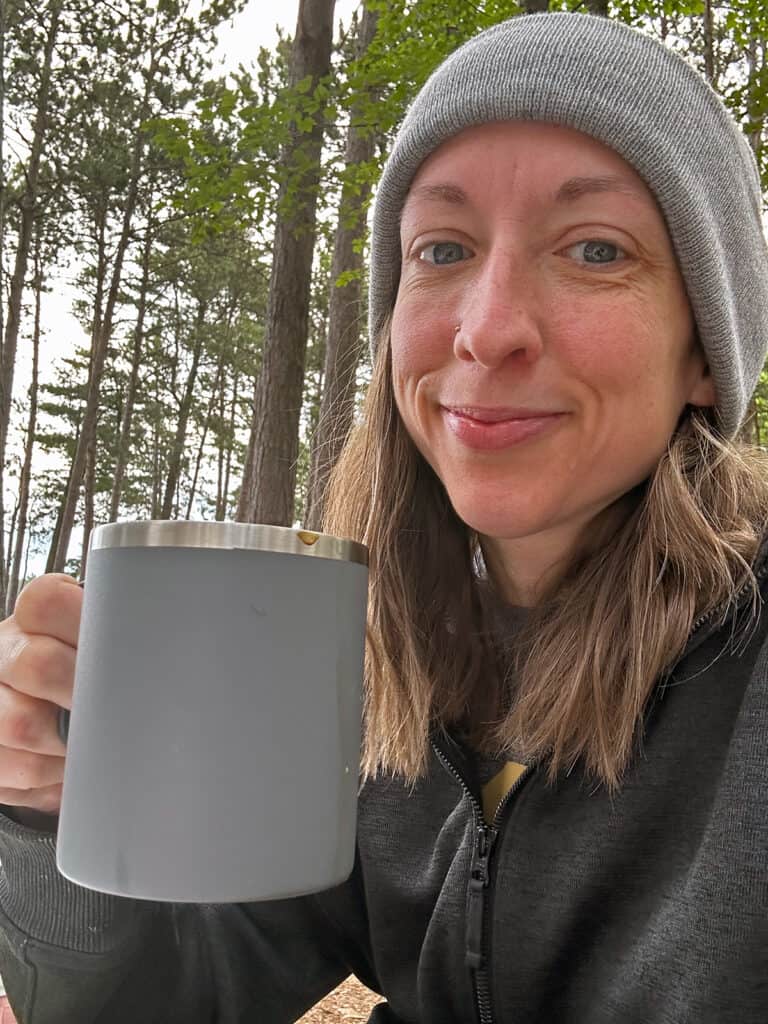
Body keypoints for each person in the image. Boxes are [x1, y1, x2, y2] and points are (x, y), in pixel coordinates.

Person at [0, 11, 766, 1024]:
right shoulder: (364, 667)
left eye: (593, 248)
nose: (487, 328)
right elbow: (147, 1003)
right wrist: (47, 812)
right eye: (442, 248)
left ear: (706, 353)